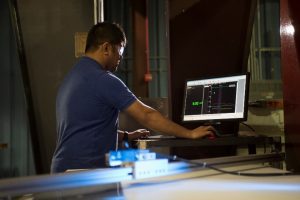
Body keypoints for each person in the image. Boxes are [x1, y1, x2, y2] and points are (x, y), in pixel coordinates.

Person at [51, 22, 215, 173]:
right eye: (120, 52)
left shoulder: (72, 77)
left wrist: (128, 136)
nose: (120, 59)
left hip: (62, 170)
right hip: (84, 174)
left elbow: (86, 128)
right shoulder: (103, 80)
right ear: (107, 48)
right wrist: (189, 134)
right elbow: (146, 115)